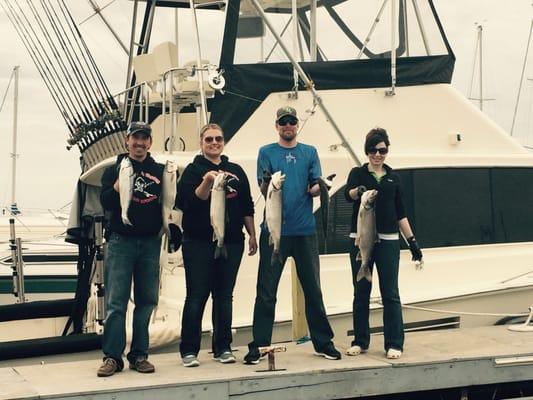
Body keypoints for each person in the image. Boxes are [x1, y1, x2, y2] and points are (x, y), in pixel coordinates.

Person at [244, 106, 341, 364]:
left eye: (292, 121)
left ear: (297, 124)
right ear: (277, 125)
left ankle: (323, 342)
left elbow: (313, 187)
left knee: (313, 289)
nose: (288, 126)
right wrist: (267, 181)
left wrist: (321, 186)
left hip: (305, 231)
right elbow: (264, 189)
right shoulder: (266, 152)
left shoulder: (309, 152)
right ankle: (259, 346)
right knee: (266, 291)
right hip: (275, 232)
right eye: (283, 122)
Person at [177, 123, 257, 367]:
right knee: (196, 296)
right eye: (209, 139)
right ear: (201, 143)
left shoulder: (236, 170)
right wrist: (207, 181)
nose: (214, 143)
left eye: (218, 139)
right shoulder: (193, 171)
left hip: (231, 242)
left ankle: (223, 346)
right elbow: (188, 202)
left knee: (224, 296)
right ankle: (189, 349)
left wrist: (252, 234)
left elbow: (247, 206)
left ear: (223, 142)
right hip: (198, 242)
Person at [344, 127, 423, 359]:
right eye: (372, 150)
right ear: (366, 151)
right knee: (361, 292)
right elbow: (348, 196)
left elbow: (401, 213)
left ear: (387, 150)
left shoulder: (393, 178)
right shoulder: (358, 173)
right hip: (361, 241)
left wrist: (412, 242)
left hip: (388, 241)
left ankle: (394, 343)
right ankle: (360, 340)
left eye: (382, 150)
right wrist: (358, 192)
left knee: (390, 293)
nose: (377, 154)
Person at [97, 121, 165, 377]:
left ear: (150, 142)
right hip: (120, 242)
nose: (139, 143)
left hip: (150, 243)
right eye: (135, 139)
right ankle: (112, 357)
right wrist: (119, 182)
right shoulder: (114, 169)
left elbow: (168, 202)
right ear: (127, 141)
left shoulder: (159, 170)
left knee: (147, 301)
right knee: (116, 303)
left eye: (144, 139)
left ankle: (139, 355)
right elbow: (105, 201)